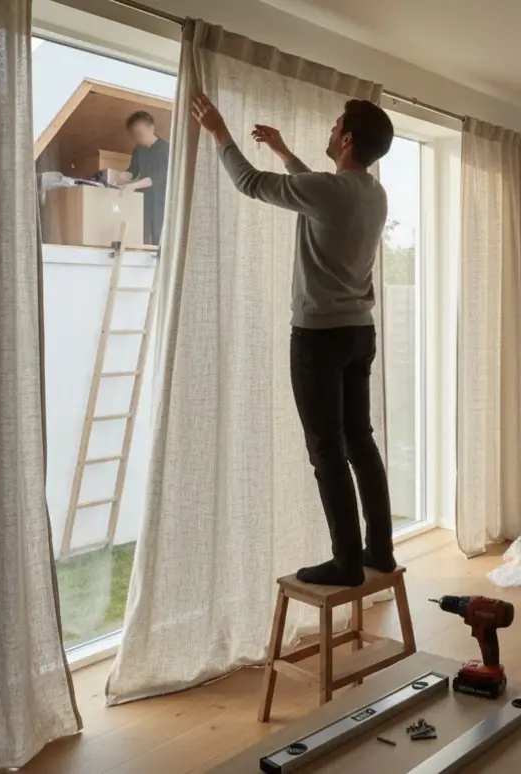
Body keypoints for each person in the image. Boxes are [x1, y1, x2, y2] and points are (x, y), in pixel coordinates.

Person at [191, 92, 396, 587]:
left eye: (334, 126)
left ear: (346, 139)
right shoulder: (373, 193)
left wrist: (220, 132)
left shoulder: (331, 191)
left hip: (319, 339)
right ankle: (380, 551)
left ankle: (346, 561)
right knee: (360, 442)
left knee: (327, 451)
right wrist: (285, 152)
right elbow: (320, 192)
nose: (329, 132)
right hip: (359, 333)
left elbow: (249, 183)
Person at [118, 110, 170, 246]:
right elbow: (133, 170)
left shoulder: (165, 149)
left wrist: (134, 185)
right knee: (142, 233)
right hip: (145, 199)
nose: (138, 137)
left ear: (151, 128)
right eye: (135, 135)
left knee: (159, 236)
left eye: (140, 133)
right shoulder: (138, 150)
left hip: (161, 200)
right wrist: (123, 176)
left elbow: (159, 178)